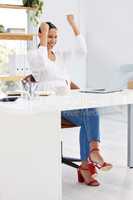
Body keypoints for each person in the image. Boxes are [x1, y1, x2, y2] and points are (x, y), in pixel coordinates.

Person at [27, 15, 112, 186]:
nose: (53, 40)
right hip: (50, 107)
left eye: (55, 36)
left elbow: (82, 52)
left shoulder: (60, 55)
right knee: (89, 116)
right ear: (41, 36)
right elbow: (43, 64)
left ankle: (92, 154)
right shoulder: (35, 55)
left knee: (91, 112)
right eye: (49, 36)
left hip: (68, 103)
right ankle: (86, 165)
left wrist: (73, 24)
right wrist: (43, 30)